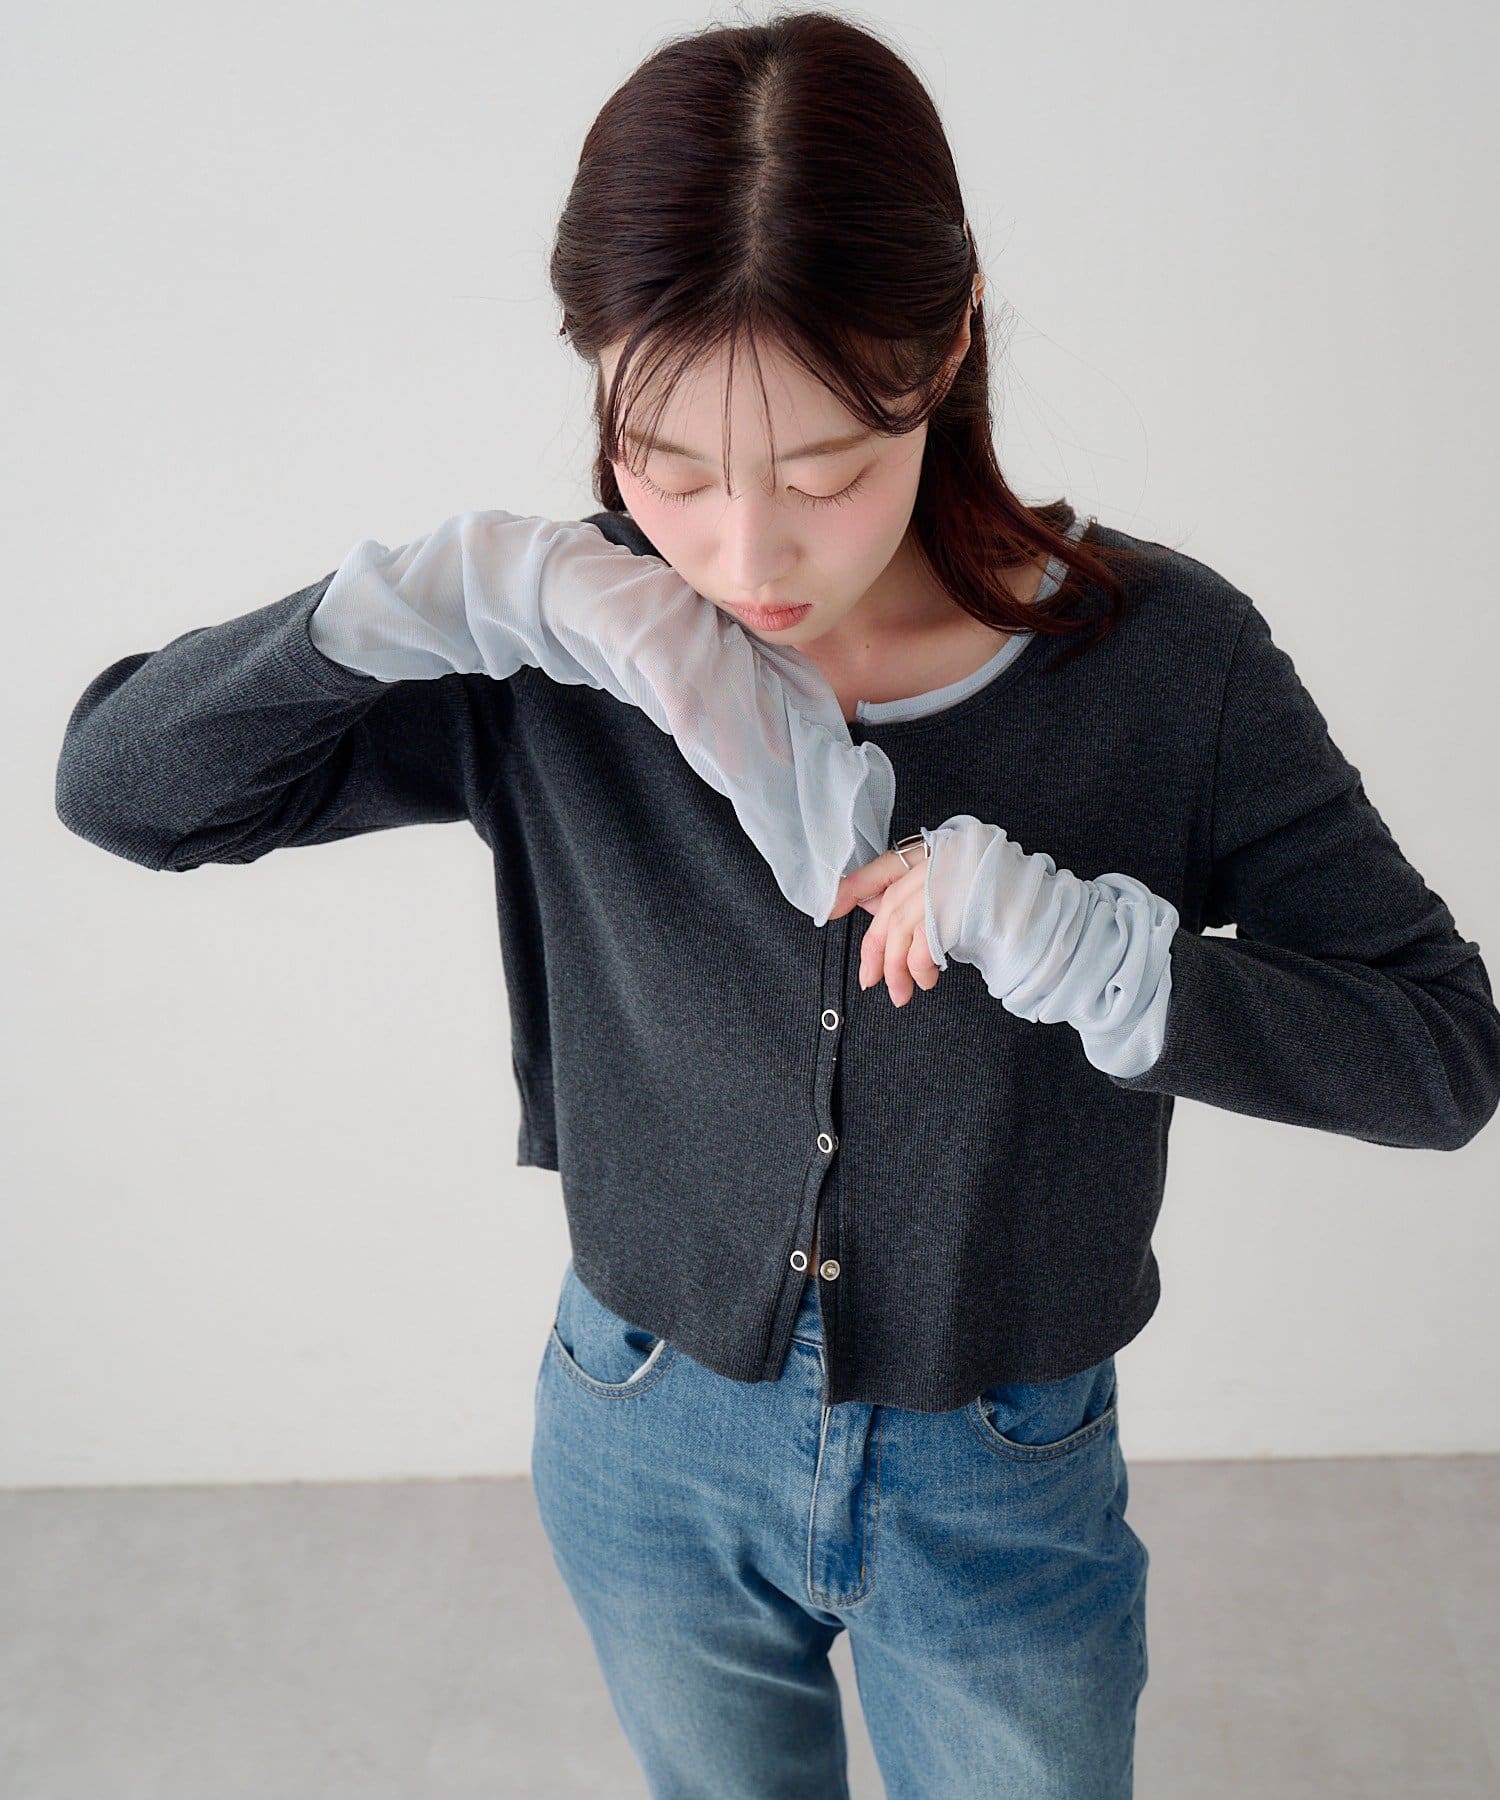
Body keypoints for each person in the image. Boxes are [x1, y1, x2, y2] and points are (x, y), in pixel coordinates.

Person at [53, 13, 1500, 1800]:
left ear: (948, 351)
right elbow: (124, 791)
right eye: (665, 466)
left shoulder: (1159, 662)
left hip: (997, 1466)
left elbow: (1440, 1058)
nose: (744, 557)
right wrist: (397, 604)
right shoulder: (564, 643)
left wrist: (1100, 957)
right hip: (639, 1427)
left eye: (824, 475)